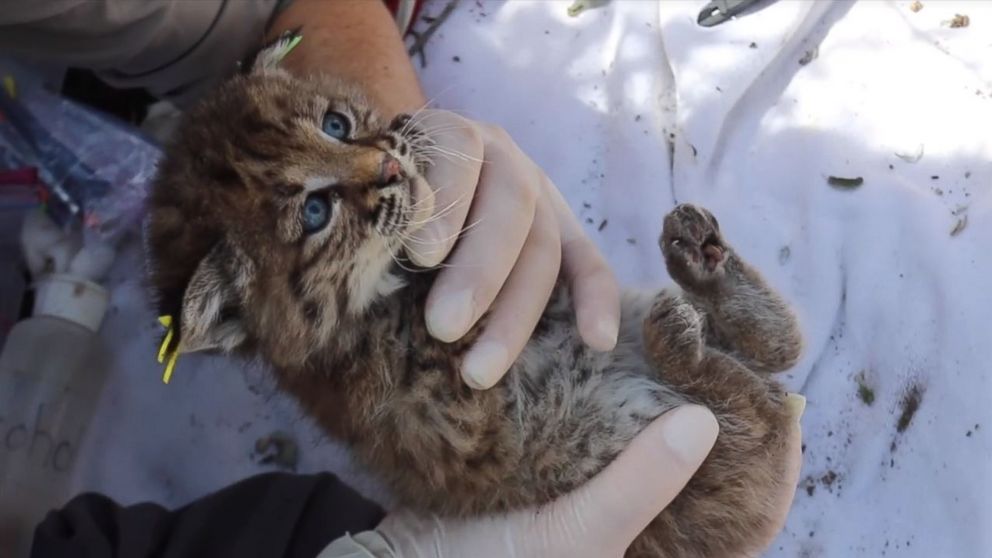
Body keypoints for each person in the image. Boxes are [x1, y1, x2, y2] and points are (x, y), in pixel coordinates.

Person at [1, 2, 803, 556]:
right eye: (316, 212)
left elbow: (268, 16)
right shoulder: (360, 375)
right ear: (245, 314)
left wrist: (385, 100)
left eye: (340, 126)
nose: (375, 164)